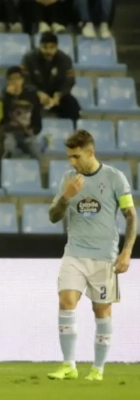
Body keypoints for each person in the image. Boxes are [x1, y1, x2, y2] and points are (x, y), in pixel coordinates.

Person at [47, 130, 137, 381]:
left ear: (90, 152)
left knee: (102, 312)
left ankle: (98, 369)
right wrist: (66, 197)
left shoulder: (115, 177)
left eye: (76, 157)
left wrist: (127, 251)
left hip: (104, 257)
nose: (72, 162)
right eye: (69, 157)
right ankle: (68, 365)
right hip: (74, 254)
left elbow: (131, 216)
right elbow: (53, 216)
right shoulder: (68, 179)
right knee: (66, 302)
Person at [21, 32, 80, 122]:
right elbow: (25, 80)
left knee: (72, 105)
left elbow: (70, 81)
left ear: (56, 47)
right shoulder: (29, 58)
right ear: (40, 46)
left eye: (52, 47)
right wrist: (38, 93)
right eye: (45, 47)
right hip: (36, 94)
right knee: (26, 102)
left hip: (56, 95)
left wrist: (59, 94)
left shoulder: (65, 59)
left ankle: (72, 128)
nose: (48, 51)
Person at [0, 66, 42, 159]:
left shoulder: (31, 95)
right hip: (9, 132)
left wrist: (33, 130)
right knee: (8, 148)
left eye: (17, 78)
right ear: (7, 81)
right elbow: (2, 120)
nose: (15, 82)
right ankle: (4, 167)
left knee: (36, 149)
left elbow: (37, 118)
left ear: (22, 80)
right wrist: (9, 97)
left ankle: (37, 168)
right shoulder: (3, 96)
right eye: (11, 79)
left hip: (27, 133)